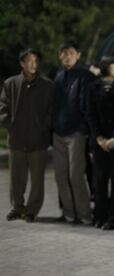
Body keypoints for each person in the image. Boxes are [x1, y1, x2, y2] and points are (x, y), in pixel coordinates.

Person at [0, 48, 53, 222]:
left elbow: (51, 112)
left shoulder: (47, 85)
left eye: (36, 61)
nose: (33, 64)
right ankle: (17, 208)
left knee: (37, 180)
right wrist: (11, 125)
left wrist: (44, 128)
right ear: (22, 63)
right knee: (16, 178)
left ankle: (32, 210)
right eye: (29, 61)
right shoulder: (10, 83)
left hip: (39, 141)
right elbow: (3, 108)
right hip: (17, 140)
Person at [53, 40, 96, 224]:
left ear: (78, 55)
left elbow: (88, 106)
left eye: (70, 53)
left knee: (76, 175)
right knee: (60, 175)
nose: (66, 56)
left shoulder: (85, 76)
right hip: (58, 132)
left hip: (76, 133)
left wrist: (84, 129)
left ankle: (84, 214)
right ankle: (69, 213)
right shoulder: (59, 76)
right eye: (63, 53)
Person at [86, 55, 114, 229]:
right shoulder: (92, 87)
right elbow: (90, 114)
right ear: (106, 66)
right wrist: (99, 138)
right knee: (99, 181)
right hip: (99, 142)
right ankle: (99, 216)